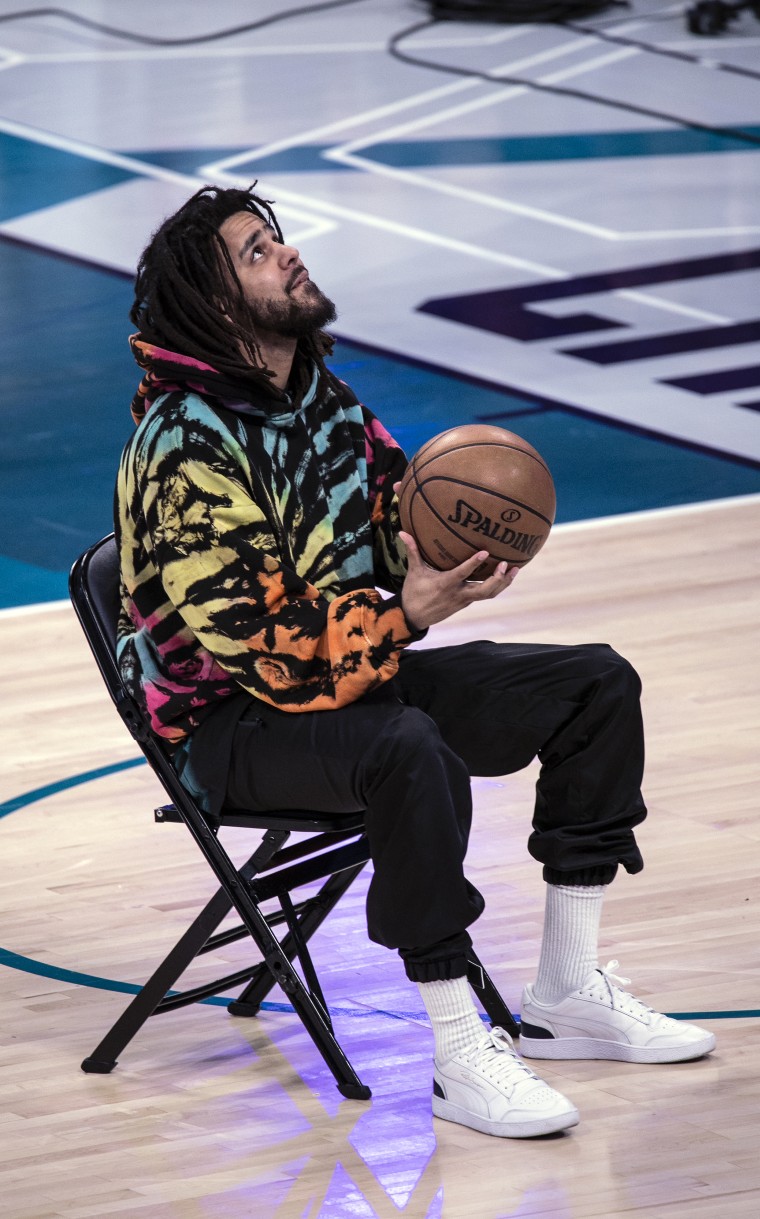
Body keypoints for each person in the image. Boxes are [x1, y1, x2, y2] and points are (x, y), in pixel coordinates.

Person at [115, 184, 715, 1140]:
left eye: (278, 236)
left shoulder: (319, 399)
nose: (287, 254)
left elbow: (398, 508)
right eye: (255, 251)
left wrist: (455, 554)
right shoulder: (184, 445)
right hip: (231, 726)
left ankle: (565, 988)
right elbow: (261, 653)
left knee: (594, 683)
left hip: (346, 679)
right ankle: (457, 1048)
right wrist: (404, 614)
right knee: (408, 748)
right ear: (215, 302)